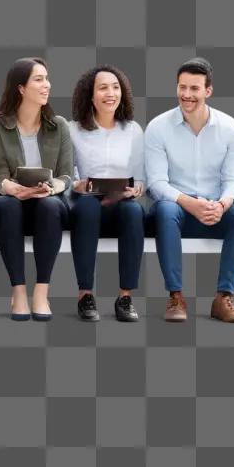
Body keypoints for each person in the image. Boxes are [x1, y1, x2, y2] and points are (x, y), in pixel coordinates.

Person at [145, 57, 234, 322]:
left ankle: (223, 298)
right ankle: (176, 297)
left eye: (194, 88)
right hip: (177, 214)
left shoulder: (229, 128)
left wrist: (222, 204)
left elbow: (233, 182)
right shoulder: (158, 127)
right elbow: (156, 184)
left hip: (213, 212)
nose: (186, 94)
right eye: (182, 87)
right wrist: (189, 203)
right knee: (165, 209)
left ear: (208, 91)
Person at [0, 57, 72, 321]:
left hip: (47, 202)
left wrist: (51, 187)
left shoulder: (59, 126)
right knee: (6, 205)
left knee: (49, 206)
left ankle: (41, 293)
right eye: (39, 79)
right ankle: (19, 292)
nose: (46, 85)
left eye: (47, 79)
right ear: (21, 88)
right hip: (12, 201)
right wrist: (12, 188)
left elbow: (66, 175)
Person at [68, 65, 146, 322]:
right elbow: (67, 174)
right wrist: (77, 185)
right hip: (86, 200)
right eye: (103, 88)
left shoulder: (133, 130)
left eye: (115, 87)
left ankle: (125, 296)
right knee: (87, 207)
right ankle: (85, 295)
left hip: (121, 203)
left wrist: (136, 188)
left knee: (134, 211)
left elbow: (140, 175)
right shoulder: (73, 129)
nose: (110, 93)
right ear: (90, 95)